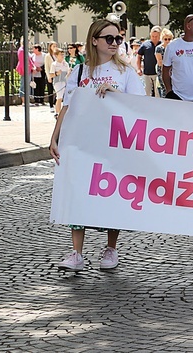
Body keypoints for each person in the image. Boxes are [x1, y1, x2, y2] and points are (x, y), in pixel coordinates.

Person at [51, 19, 145, 272]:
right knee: (78, 190)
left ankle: (111, 247)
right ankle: (76, 253)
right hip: (82, 140)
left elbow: (142, 107)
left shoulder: (126, 73)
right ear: (94, 40)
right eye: (109, 38)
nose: (115, 43)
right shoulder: (80, 71)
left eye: (118, 39)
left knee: (111, 192)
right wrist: (55, 136)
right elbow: (68, 105)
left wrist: (116, 93)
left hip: (114, 143)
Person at [136, 26, 162, 97]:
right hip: (147, 73)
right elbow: (139, 56)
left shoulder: (162, 45)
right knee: (147, 93)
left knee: (158, 94)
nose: (154, 38)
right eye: (153, 36)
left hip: (158, 73)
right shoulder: (145, 45)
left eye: (156, 36)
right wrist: (138, 68)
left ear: (160, 36)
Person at [155, 28, 174, 98]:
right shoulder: (159, 48)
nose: (167, 41)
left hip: (173, 70)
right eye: (165, 39)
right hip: (163, 70)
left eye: (169, 39)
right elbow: (160, 61)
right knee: (164, 88)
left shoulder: (173, 47)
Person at [15, 41, 35, 106]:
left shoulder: (25, 50)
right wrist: (25, 71)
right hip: (25, 71)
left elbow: (29, 60)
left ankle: (27, 101)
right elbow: (22, 62)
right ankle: (24, 101)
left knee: (27, 86)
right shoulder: (21, 50)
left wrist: (33, 67)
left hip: (28, 70)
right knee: (23, 85)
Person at [51, 48, 70, 117]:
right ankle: (58, 112)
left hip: (65, 82)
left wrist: (69, 73)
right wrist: (56, 73)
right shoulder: (54, 64)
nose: (62, 56)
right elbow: (51, 74)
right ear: (56, 56)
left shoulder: (66, 64)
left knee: (65, 97)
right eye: (60, 54)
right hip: (57, 82)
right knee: (59, 97)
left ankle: (63, 112)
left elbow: (68, 73)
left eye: (63, 54)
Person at [45, 42, 57, 108]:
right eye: (53, 46)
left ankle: (56, 103)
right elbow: (46, 67)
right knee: (50, 90)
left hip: (57, 74)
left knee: (57, 90)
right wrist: (48, 76)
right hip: (50, 74)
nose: (55, 47)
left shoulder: (57, 55)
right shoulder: (48, 56)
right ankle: (51, 105)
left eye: (55, 46)